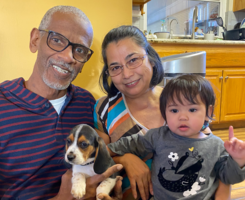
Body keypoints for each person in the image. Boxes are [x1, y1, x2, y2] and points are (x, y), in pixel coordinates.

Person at [0, 5, 122, 200]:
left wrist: (128, 159)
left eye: (80, 50)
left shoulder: (86, 102)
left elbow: (101, 153)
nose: (68, 57)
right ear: (35, 40)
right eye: (57, 40)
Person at [93, 25, 231, 200]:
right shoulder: (104, 108)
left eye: (133, 60)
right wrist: (126, 159)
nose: (126, 74)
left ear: (150, 58)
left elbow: (214, 161)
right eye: (115, 67)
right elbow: (97, 158)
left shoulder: (183, 101)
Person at [107, 74, 245, 200]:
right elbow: (131, 144)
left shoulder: (216, 145)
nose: (182, 117)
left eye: (192, 109)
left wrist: (238, 159)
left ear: (208, 111)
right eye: (174, 110)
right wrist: (106, 150)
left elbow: (229, 178)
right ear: (164, 112)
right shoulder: (157, 136)